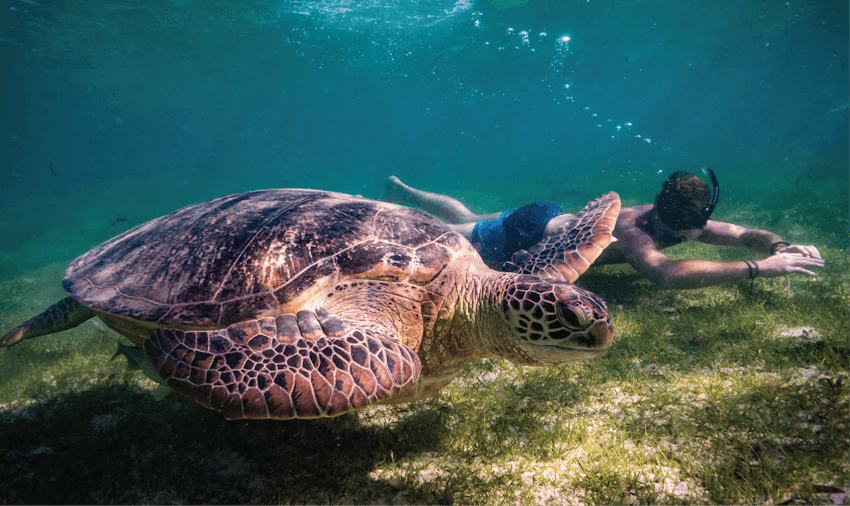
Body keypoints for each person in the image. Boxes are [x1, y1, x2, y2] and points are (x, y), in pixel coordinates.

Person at [383, 172, 824, 290]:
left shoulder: (689, 223)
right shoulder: (635, 229)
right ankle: (394, 204)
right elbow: (665, 273)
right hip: (532, 232)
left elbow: (749, 234)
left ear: (700, 215)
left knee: (472, 217)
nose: (676, 226)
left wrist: (778, 247)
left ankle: (406, 190)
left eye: (689, 219)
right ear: (658, 204)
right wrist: (760, 270)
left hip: (555, 219)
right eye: (668, 213)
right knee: (452, 234)